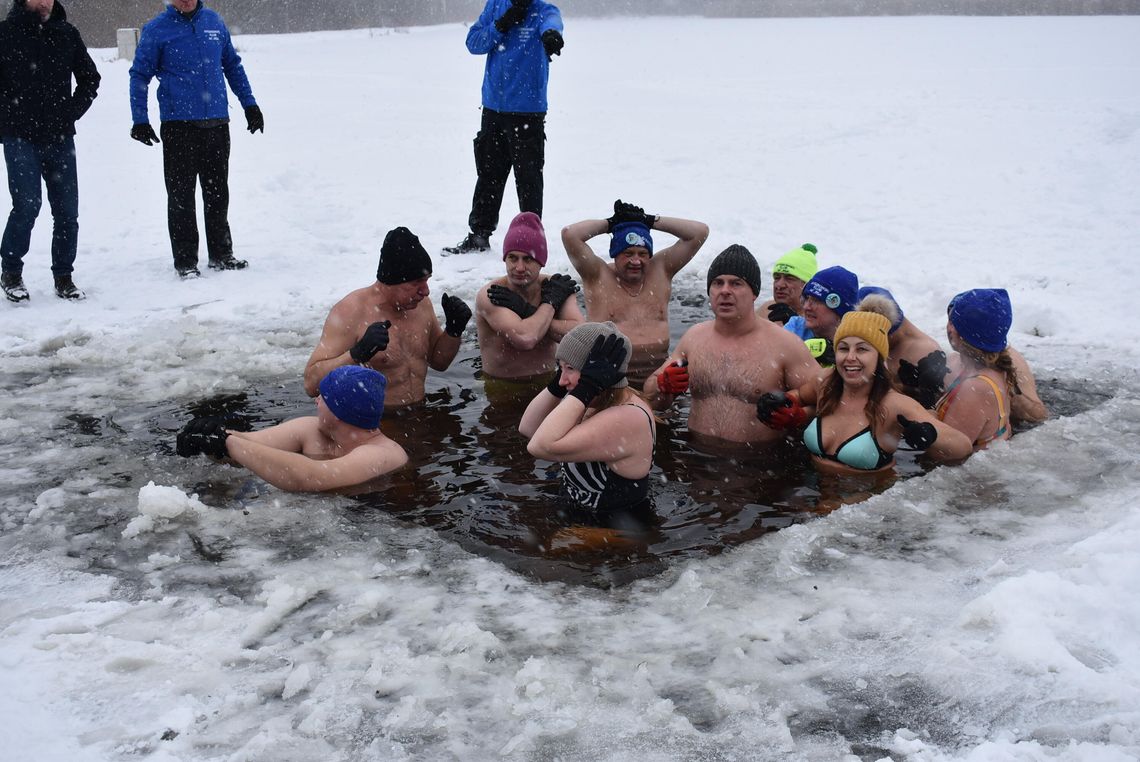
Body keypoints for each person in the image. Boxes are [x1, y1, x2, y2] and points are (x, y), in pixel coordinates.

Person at [757, 297, 973, 474]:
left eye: (861, 350)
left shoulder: (894, 405)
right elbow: (799, 396)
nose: (850, 358)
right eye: (843, 348)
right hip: (813, 493)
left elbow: (962, 446)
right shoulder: (825, 382)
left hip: (861, 508)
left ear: (879, 357)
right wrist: (782, 405)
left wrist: (928, 436)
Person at [129, 0, 263, 279]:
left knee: (217, 193)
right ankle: (186, 260)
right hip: (179, 126)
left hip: (216, 123)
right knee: (181, 196)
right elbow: (140, 74)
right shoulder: (156, 29)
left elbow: (232, 66)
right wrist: (140, 119)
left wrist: (249, 104)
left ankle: (221, 254)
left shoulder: (214, 22)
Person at [643, 244, 818, 446]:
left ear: (754, 293)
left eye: (736, 283)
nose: (725, 291)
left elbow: (827, 397)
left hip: (759, 463)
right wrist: (663, 386)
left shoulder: (784, 345)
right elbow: (650, 398)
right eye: (718, 283)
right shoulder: (694, 337)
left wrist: (800, 416)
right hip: (696, 457)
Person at [303, 226, 472, 408]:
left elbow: (439, 362)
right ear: (391, 281)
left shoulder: (421, 305)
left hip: (419, 414)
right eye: (416, 283)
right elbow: (311, 385)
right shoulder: (351, 312)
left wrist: (454, 330)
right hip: (373, 424)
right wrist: (357, 354)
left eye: (427, 280)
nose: (426, 291)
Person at [445, 0, 564, 255]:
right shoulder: (495, 6)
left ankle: (531, 241)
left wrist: (552, 36)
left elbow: (552, 25)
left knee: (529, 179)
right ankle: (479, 236)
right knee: (489, 174)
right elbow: (473, 42)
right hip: (493, 109)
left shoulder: (544, 11)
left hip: (528, 111)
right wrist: (501, 24)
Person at [0, 0, 99, 302]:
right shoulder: (5, 34)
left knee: (67, 212)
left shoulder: (66, 33)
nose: (43, 2)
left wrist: (70, 112)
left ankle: (64, 276)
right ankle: (11, 272)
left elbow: (90, 79)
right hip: (19, 137)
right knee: (28, 205)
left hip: (59, 137)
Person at [176, 366, 408, 493]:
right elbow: (252, 444)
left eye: (323, 397)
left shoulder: (382, 454)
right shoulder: (311, 429)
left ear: (341, 411)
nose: (316, 401)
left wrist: (229, 444)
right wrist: (213, 436)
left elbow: (310, 478)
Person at [562, 199, 709, 378]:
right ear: (615, 254)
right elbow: (570, 235)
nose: (636, 261)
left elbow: (700, 232)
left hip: (658, 376)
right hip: (609, 378)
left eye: (642, 254)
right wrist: (611, 224)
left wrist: (649, 221)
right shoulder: (597, 275)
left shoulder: (661, 270)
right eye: (628, 254)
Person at [520, 321, 655, 511]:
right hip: (578, 512)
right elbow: (528, 427)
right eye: (560, 368)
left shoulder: (627, 416)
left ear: (597, 373)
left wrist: (586, 386)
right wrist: (562, 384)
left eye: (570, 368)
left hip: (610, 529)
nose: (562, 379)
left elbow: (540, 447)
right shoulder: (591, 399)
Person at [475, 211, 584, 402]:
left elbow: (581, 338)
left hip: (550, 385)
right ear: (504, 259)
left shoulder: (556, 287)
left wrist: (528, 311)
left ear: (541, 262)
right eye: (512, 258)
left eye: (528, 259)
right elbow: (525, 338)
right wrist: (549, 305)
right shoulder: (491, 294)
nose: (519, 267)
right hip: (502, 388)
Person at [936, 288, 1024, 449]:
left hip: (968, 472)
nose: (948, 327)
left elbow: (945, 452)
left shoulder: (976, 389)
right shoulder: (998, 365)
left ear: (959, 332)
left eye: (952, 322)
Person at [855, 286, 949, 408]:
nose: (876, 342)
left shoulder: (924, 351)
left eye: (880, 336)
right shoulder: (882, 342)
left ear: (890, 326)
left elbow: (936, 409)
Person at [784, 265, 859, 367]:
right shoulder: (796, 326)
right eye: (806, 298)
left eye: (817, 300)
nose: (806, 307)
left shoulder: (857, 342)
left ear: (839, 309)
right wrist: (807, 350)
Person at [756, 243, 818, 325]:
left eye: (789, 278)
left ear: (806, 285)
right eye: (777, 278)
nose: (779, 285)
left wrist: (796, 325)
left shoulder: (817, 318)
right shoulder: (766, 310)